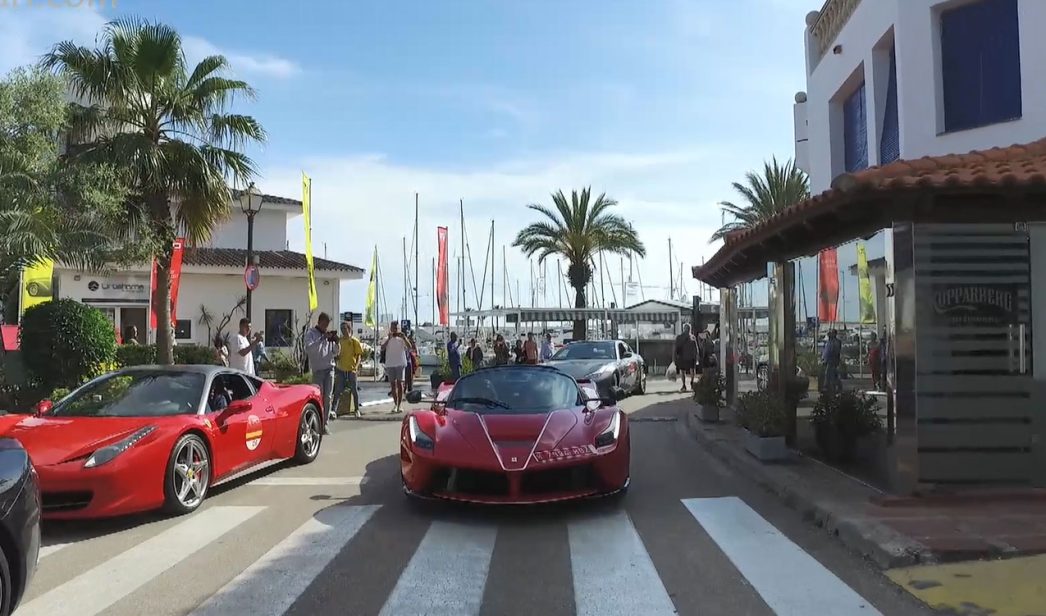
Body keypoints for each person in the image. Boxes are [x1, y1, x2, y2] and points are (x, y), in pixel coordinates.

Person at [305, 313, 340, 434]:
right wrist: (321, 338)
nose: (326, 327)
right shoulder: (311, 333)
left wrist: (337, 343)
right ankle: (317, 423)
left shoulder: (328, 335)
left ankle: (325, 424)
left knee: (328, 397)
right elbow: (309, 349)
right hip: (318, 370)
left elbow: (335, 353)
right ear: (319, 322)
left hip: (330, 368)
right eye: (324, 324)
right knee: (318, 397)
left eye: (327, 324)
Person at [333, 322, 364, 418]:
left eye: (344, 328)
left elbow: (359, 356)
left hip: (351, 369)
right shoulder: (340, 341)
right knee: (338, 390)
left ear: (349, 329)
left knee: (354, 390)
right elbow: (336, 354)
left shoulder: (354, 341)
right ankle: (333, 410)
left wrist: (356, 367)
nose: (343, 330)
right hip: (341, 369)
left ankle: (356, 409)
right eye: (341, 328)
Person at [382, 321, 409, 412]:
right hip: (390, 364)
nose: (395, 330)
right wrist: (388, 339)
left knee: (400, 384)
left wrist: (404, 337)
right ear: (391, 328)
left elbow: (409, 347)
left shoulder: (401, 339)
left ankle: (400, 405)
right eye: (393, 328)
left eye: (396, 328)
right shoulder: (386, 338)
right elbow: (382, 348)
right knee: (393, 385)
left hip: (400, 363)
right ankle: (395, 404)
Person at [674, 323, 698, 392]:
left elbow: (676, 348)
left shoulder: (679, 337)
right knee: (692, 370)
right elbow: (696, 348)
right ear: (690, 329)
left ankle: (684, 385)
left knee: (682, 371)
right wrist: (696, 356)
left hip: (682, 356)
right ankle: (692, 383)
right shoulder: (692, 337)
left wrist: (675, 357)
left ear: (684, 329)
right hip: (691, 357)